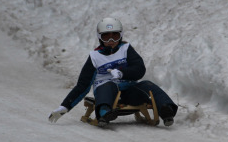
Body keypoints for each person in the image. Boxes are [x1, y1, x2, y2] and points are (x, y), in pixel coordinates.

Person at [48, 17, 178, 128]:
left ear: (120, 36)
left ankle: (166, 110)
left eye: (115, 36)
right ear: (100, 38)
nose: (111, 41)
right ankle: (105, 113)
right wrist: (65, 106)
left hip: (128, 89)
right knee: (107, 86)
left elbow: (139, 69)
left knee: (147, 85)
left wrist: (122, 73)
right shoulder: (95, 57)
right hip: (106, 88)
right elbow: (83, 85)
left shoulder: (126, 49)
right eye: (106, 36)